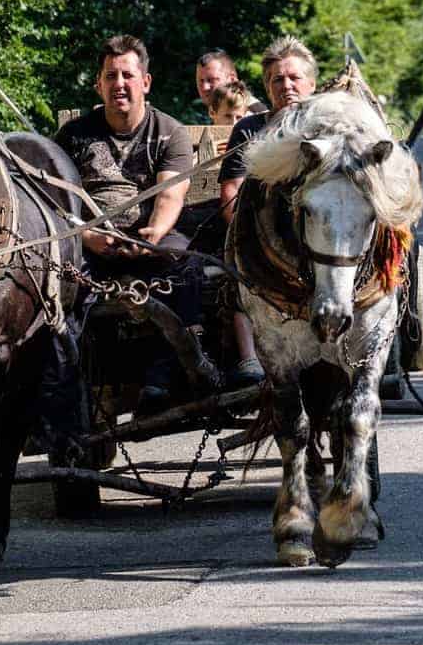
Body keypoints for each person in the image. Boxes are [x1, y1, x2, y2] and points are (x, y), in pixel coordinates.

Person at [55, 34, 203, 412]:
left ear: (145, 82)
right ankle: (67, 383)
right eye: (110, 76)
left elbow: (170, 193)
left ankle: (163, 373)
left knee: (187, 266)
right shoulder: (73, 136)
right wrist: (87, 237)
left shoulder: (169, 132)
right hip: (90, 243)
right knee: (53, 277)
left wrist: (154, 233)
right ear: (99, 84)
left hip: (152, 237)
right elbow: (58, 199)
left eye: (127, 75)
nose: (119, 84)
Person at [217, 35, 319, 387]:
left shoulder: (327, 126)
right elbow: (231, 187)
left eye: (295, 78)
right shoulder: (248, 129)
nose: (287, 86)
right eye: (278, 79)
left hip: (320, 238)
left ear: (312, 83)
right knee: (238, 270)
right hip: (261, 236)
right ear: (267, 87)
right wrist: (244, 233)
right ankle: (250, 357)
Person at [195, 49, 268, 115]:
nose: (205, 87)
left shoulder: (255, 114)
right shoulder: (220, 110)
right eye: (200, 81)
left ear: (232, 79)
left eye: (212, 80)